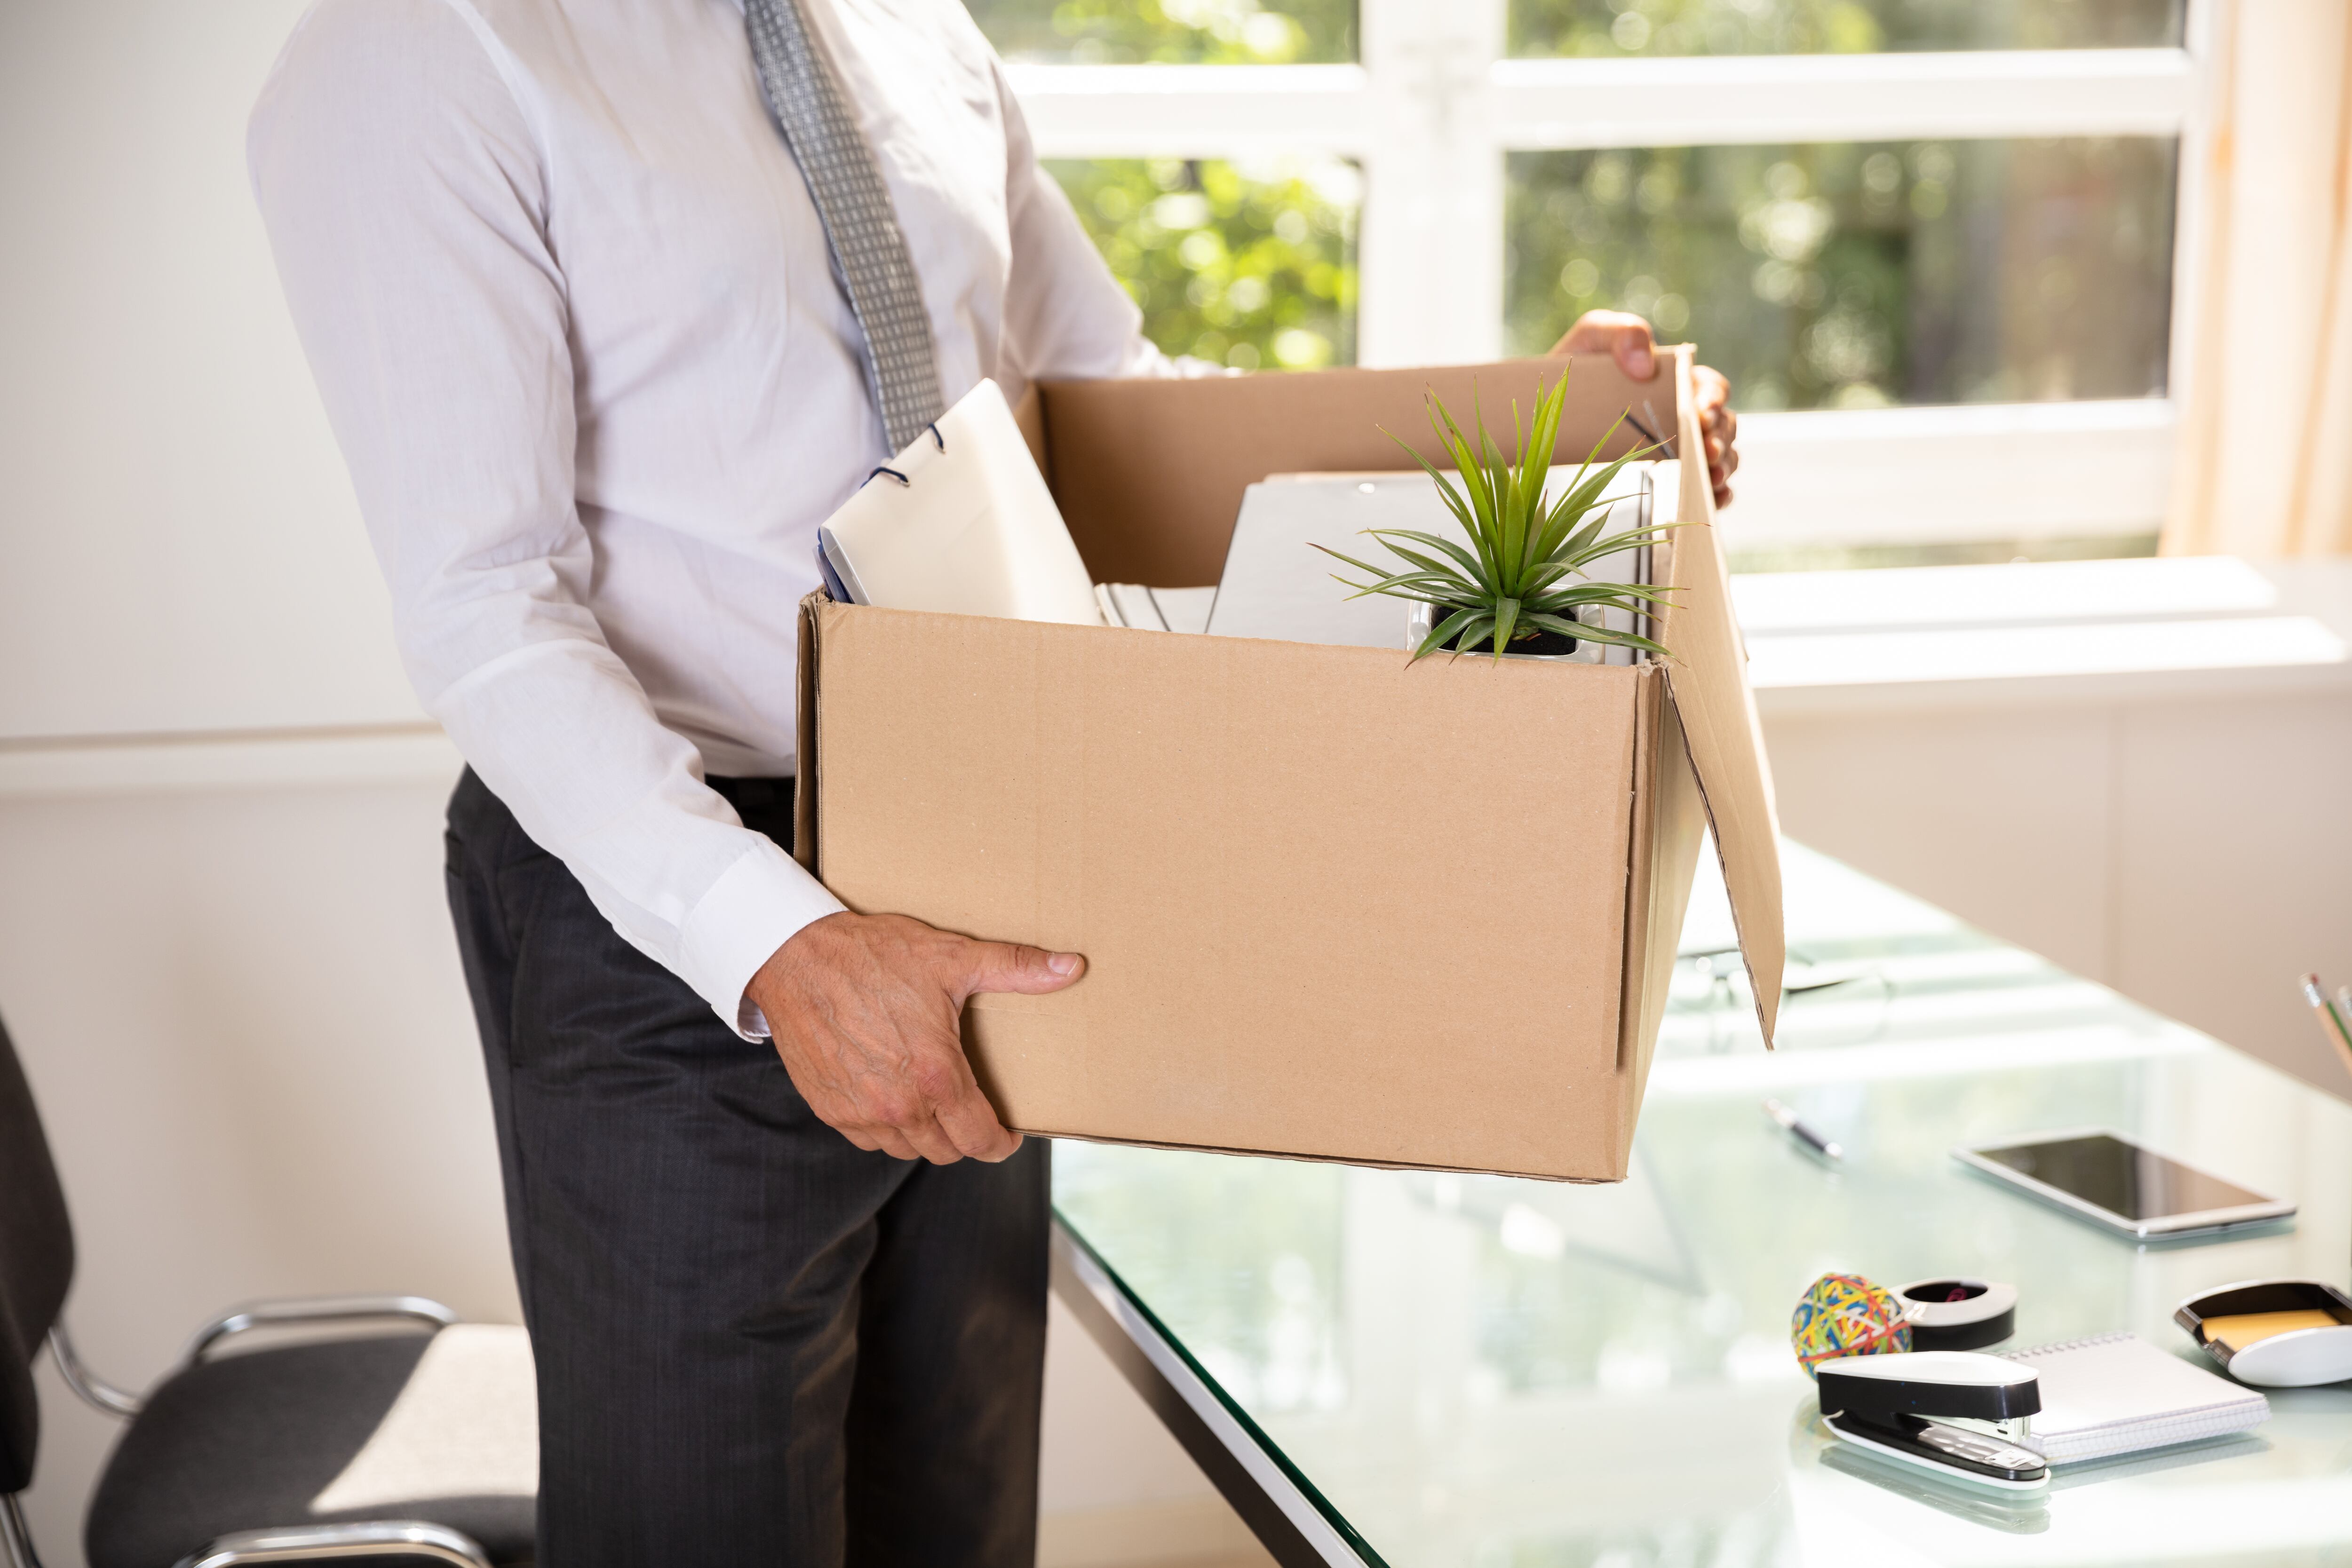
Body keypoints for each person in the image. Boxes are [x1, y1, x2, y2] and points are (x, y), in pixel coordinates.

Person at [247, 1, 1740, 1562]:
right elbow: (484, 602)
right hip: (681, 908)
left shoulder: (900, 25)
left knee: (953, 1523)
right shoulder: (423, 50)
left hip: (980, 842)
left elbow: (1114, 407)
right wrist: (784, 942)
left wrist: (1540, 437)